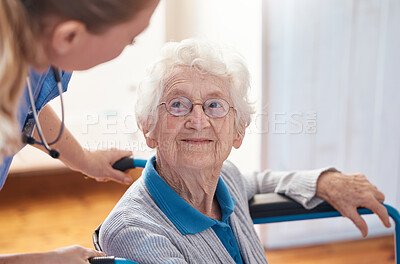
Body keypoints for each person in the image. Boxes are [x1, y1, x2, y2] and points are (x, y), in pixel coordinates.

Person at [99, 39, 391, 264]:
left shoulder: (225, 179)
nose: (198, 120)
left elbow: (259, 181)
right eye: (178, 104)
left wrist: (324, 182)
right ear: (148, 127)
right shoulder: (133, 231)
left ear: (238, 132)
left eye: (215, 105)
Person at [0, 0, 160, 263]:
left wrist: (84, 159)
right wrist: (44, 259)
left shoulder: (26, 49)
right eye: (131, 40)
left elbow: (27, 109)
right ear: (69, 36)